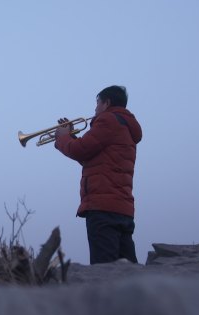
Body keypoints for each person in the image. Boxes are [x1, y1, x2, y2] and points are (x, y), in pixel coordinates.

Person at [54, 85, 143, 264]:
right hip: (122, 208)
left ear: (106, 103)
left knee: (104, 270)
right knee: (128, 271)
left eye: (97, 103)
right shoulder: (124, 126)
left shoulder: (108, 120)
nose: (94, 109)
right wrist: (71, 137)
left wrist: (62, 137)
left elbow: (80, 151)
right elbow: (91, 158)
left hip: (103, 208)